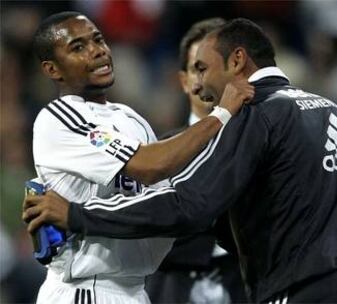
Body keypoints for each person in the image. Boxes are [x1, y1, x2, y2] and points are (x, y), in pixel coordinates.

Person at [23, 18, 337, 303]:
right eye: (79, 46)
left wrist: (76, 214)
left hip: (302, 286)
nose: (198, 85)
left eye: (203, 68)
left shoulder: (251, 114)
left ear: (237, 61)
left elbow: (185, 199)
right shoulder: (333, 110)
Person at [25, 12, 253, 304]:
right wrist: (222, 114)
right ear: (53, 69)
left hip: (134, 290)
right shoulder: (58, 117)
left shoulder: (131, 119)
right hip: (85, 289)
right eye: (78, 47)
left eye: (98, 39)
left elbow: (166, 198)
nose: (97, 50)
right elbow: (151, 166)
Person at [145, 18, 247, 304]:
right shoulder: (160, 153)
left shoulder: (261, 144)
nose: (205, 80)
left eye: (213, 67)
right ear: (183, 80)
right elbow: (153, 238)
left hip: (246, 290)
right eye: (197, 69)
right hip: (173, 293)